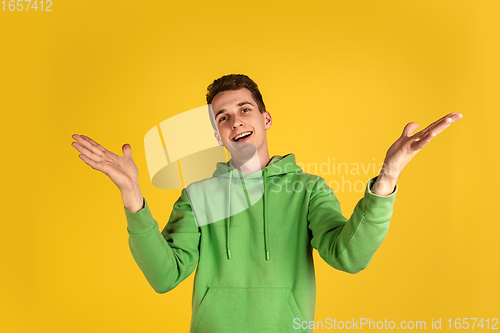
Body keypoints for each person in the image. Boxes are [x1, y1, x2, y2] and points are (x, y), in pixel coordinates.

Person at [71, 74, 463, 333]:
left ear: (265, 118)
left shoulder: (308, 189)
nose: (236, 121)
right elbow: (164, 277)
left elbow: (350, 256)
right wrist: (132, 196)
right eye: (222, 117)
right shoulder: (199, 195)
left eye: (244, 110)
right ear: (217, 133)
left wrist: (389, 175)